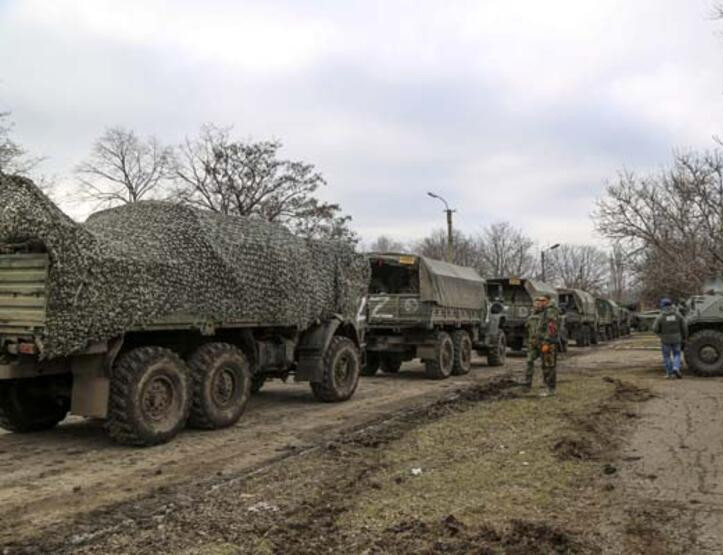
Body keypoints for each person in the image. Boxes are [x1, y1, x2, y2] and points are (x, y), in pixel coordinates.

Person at [524, 294, 561, 397]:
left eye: (543, 300)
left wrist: (547, 342)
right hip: (537, 342)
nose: (541, 302)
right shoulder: (538, 312)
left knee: (549, 366)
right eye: (539, 300)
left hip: (548, 343)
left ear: (548, 301)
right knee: (531, 362)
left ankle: (551, 389)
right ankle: (528, 384)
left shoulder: (551, 312)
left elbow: (552, 328)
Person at [652, 298, 688, 379]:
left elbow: (654, 328)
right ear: (671, 305)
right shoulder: (678, 315)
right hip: (677, 339)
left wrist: (660, 335)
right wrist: (684, 337)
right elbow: (684, 326)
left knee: (667, 356)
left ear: (662, 306)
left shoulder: (660, 317)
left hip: (665, 340)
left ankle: (669, 374)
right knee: (677, 354)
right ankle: (676, 368)